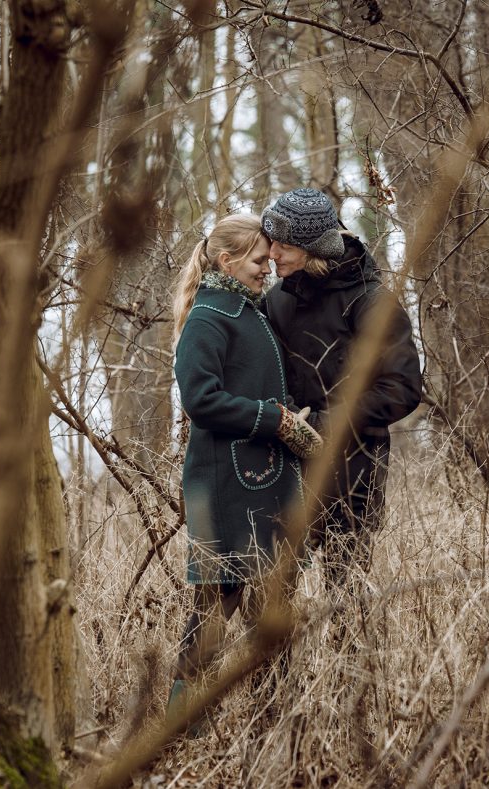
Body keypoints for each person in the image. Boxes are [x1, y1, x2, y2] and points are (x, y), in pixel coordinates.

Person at [169, 214, 322, 725]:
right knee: (217, 607)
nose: (268, 270)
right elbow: (200, 400)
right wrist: (273, 421)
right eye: (259, 261)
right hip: (226, 488)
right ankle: (181, 727)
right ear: (226, 262)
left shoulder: (247, 311)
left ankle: (274, 725)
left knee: (269, 609)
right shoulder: (209, 317)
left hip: (261, 483)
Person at [261, 188, 422, 613]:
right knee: (270, 600)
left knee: (348, 601)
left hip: (354, 470)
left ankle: (354, 680)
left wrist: (322, 426)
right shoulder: (275, 300)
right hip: (281, 469)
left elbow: (403, 390)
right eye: (270, 239)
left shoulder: (371, 303)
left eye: (284, 244)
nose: (271, 251)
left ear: (313, 248)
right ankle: (275, 681)